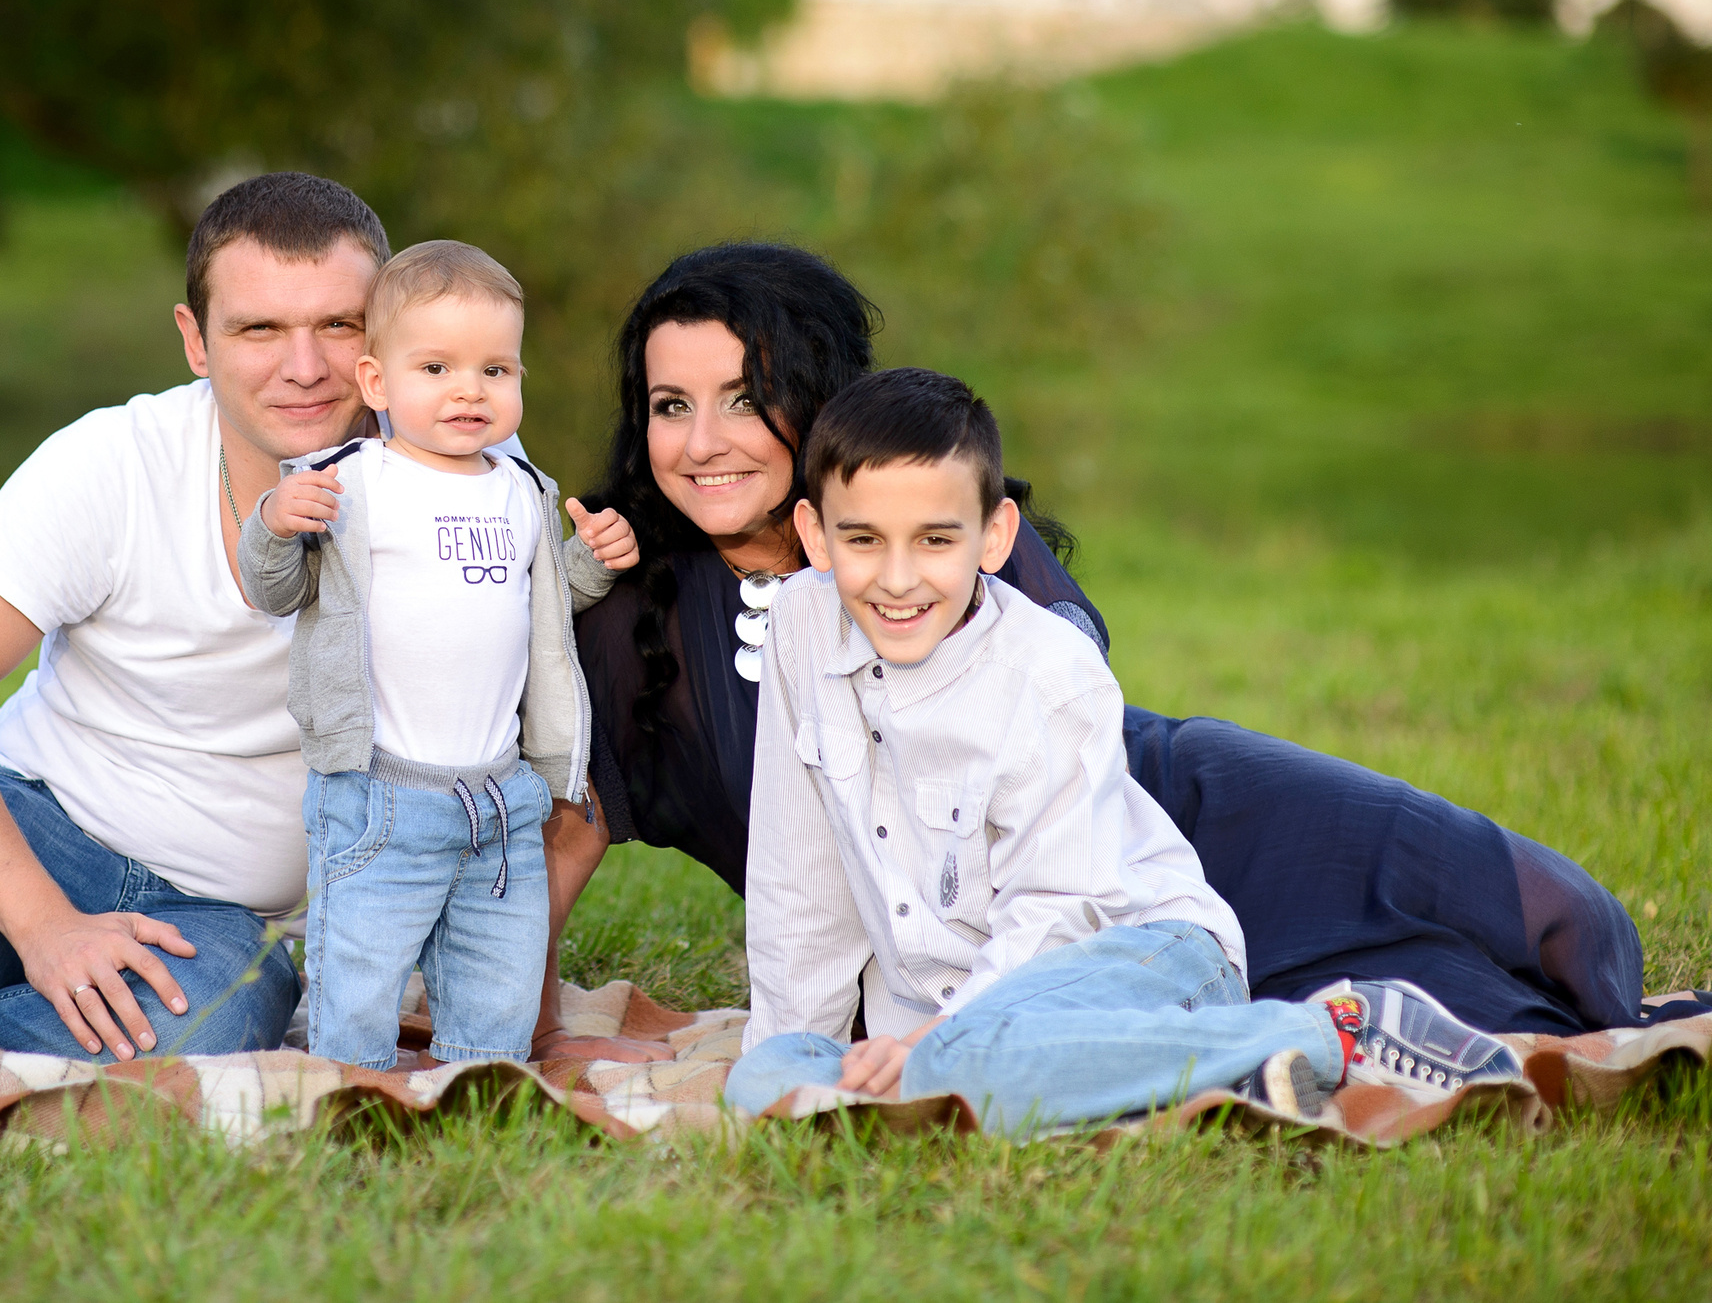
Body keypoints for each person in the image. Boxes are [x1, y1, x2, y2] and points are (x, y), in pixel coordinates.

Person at [539, 242, 1646, 1059]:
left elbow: (1069, 712)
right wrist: (526, 1028)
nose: (702, 442)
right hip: (978, 961)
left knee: (1549, 913)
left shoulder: (935, 529)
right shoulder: (636, 614)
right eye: (670, 404)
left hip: (1129, 824)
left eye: (745, 398)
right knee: (1476, 1017)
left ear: (817, 399)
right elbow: (569, 825)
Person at [722, 368, 1524, 1127]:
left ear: (995, 535)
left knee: (960, 1066)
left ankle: (1337, 1032)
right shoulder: (799, 625)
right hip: (957, 1024)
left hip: (1143, 958)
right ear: (815, 536)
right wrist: (789, 1046)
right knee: (764, 1078)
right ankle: (1200, 1072)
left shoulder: (1051, 673)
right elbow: (799, 870)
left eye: (935, 540)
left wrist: (937, 1044)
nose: (898, 579)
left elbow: (1060, 909)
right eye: (864, 539)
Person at [0, 171, 400, 1061]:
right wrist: (44, 925)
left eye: (339, 324)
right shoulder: (113, 464)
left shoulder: (454, 484)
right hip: (38, 826)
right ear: (196, 341)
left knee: (146, 1049)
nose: (305, 367)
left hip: (221, 913)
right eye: (259, 329)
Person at [238, 241, 636, 1068]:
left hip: (501, 794)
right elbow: (274, 591)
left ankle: (479, 1082)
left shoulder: (522, 490)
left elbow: (545, 604)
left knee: (500, 973)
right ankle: (351, 1088)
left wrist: (592, 560)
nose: (469, 390)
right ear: (376, 383)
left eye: (496, 370)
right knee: (361, 971)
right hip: (381, 791)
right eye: (436, 368)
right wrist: (274, 523)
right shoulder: (351, 483)